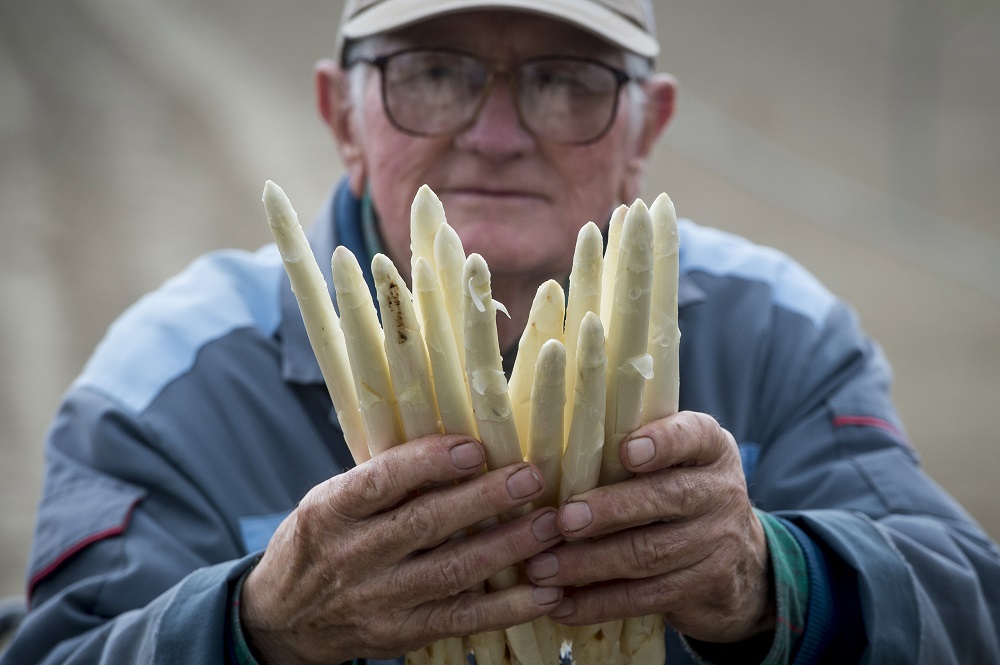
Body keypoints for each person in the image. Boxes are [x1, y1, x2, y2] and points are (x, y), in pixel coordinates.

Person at [3, 0, 999, 663]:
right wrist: (252, 624)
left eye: (566, 79)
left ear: (646, 128)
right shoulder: (165, 385)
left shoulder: (778, 331)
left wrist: (768, 575)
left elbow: (969, 607)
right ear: (340, 115)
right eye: (433, 72)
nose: (494, 132)